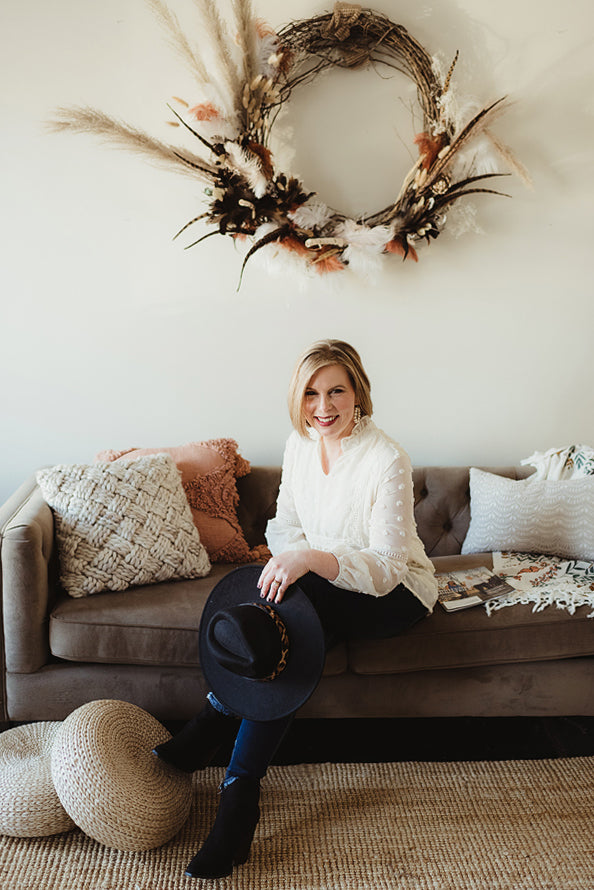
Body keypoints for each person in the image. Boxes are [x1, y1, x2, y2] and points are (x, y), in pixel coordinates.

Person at [153, 339, 438, 880]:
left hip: (394, 594)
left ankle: (219, 740)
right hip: (324, 583)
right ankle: (237, 797)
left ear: (359, 394)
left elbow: (387, 567)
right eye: (311, 393)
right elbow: (284, 524)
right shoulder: (299, 443)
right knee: (288, 621)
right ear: (298, 397)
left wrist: (310, 558)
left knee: (295, 620)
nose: (323, 406)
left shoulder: (386, 459)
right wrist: (295, 557)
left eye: (336, 391)